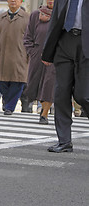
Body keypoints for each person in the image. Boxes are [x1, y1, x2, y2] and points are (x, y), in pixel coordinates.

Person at [42, 0, 89, 153]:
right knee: (61, 93)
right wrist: (47, 52)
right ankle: (64, 141)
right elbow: (55, 21)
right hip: (64, 42)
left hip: (86, 45)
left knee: (83, 96)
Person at [0, 0, 30, 116]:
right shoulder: (1, 18)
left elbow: (32, 37)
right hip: (3, 55)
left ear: (21, 2)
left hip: (20, 56)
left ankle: (9, 107)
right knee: (1, 82)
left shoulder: (27, 18)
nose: (13, 1)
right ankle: (8, 102)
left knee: (18, 82)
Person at [23, 1, 56, 125]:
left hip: (54, 56)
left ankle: (44, 113)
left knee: (49, 83)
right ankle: (40, 106)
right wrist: (31, 51)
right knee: (34, 83)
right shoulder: (36, 15)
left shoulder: (61, 15)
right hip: (37, 55)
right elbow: (28, 36)